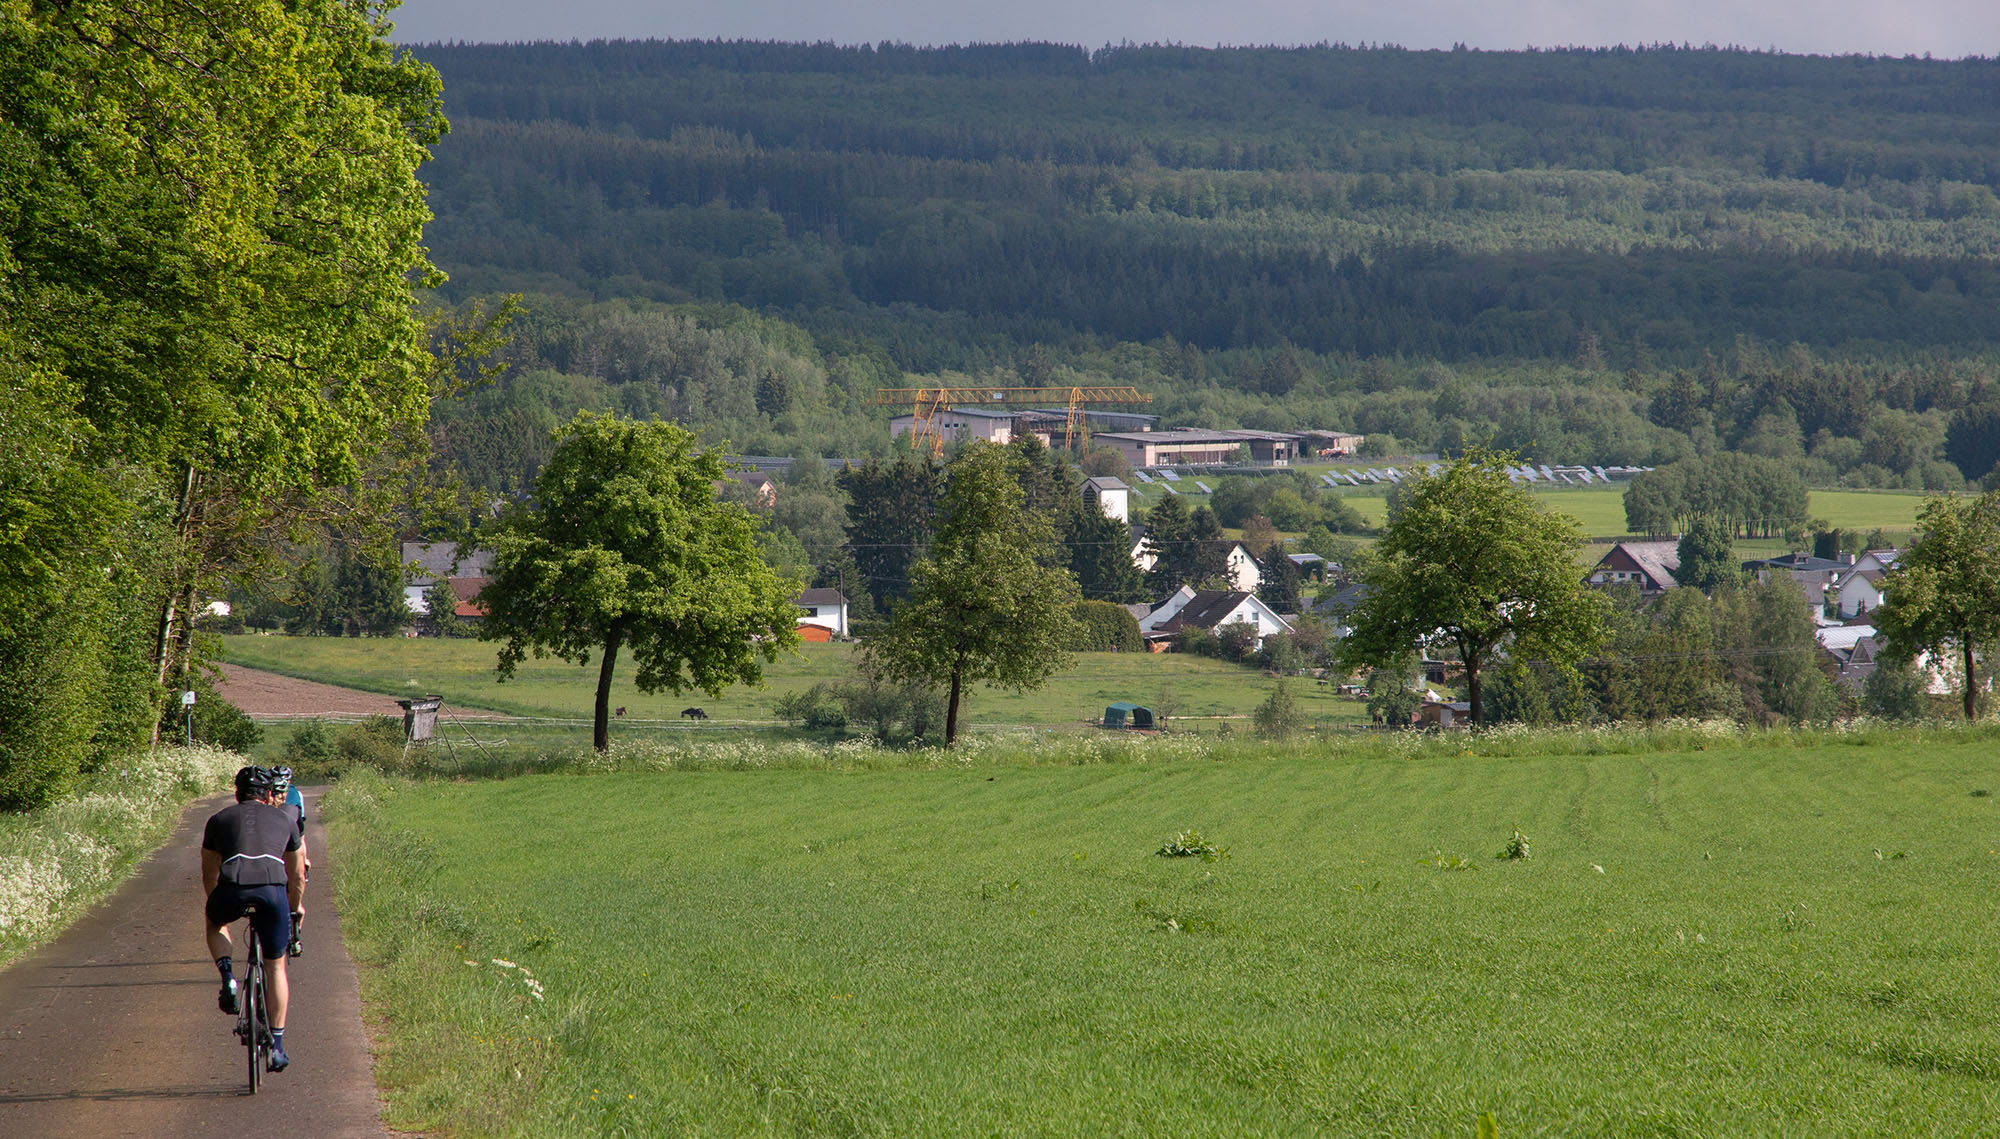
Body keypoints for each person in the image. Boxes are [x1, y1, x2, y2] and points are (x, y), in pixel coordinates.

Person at [202, 765, 306, 1072]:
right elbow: (297, 874)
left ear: (236, 794)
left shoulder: (218, 820)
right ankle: (278, 1046)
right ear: (270, 795)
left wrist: (216, 905)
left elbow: (209, 872)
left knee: (215, 922)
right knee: (276, 966)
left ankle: (228, 979)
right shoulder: (286, 819)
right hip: (273, 893)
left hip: (232, 889)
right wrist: (294, 907)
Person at [269, 765, 310, 956]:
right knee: (297, 878)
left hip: (287, 844)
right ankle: (295, 918)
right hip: (291, 843)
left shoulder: (263, 800)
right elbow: (300, 834)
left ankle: (293, 923)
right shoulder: (295, 798)